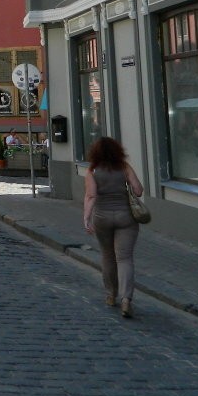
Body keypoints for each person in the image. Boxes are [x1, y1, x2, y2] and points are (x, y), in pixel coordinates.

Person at [82, 136, 144, 318]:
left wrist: (86, 218)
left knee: (108, 255)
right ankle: (126, 299)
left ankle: (111, 295)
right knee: (124, 258)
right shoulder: (124, 167)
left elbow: (91, 196)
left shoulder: (92, 170)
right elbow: (139, 190)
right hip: (126, 217)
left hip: (102, 218)